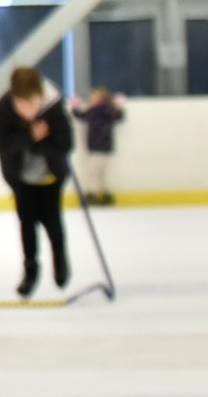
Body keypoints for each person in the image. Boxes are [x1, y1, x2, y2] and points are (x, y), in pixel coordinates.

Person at [1, 68, 72, 297]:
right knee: (26, 223)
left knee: (52, 221)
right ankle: (30, 269)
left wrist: (37, 145)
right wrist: (30, 137)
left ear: (41, 95)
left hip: (50, 177)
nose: (27, 110)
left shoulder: (53, 107)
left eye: (32, 103)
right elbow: (3, 143)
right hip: (21, 178)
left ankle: (60, 259)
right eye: (21, 104)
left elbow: (65, 144)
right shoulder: (5, 108)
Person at [70, 86, 123, 207]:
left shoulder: (99, 110)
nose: (91, 98)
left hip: (99, 145)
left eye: (94, 96)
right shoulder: (105, 110)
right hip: (102, 145)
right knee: (101, 171)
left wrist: (74, 108)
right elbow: (117, 117)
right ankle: (106, 194)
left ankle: (93, 194)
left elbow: (83, 116)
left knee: (94, 171)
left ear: (101, 98)